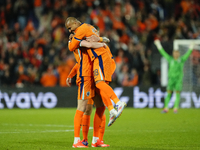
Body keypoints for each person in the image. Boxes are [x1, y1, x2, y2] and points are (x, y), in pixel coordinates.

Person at [65, 17, 126, 127]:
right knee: (100, 86)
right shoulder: (88, 27)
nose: (70, 31)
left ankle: (118, 103)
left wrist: (71, 39)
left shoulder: (81, 29)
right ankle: (112, 110)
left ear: (75, 23)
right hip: (100, 59)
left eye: (70, 28)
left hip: (100, 58)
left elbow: (72, 47)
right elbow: (97, 40)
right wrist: (102, 40)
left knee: (99, 84)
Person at [66, 33, 109, 148]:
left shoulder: (90, 47)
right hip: (86, 79)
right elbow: (79, 63)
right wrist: (102, 42)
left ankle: (97, 140)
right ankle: (82, 140)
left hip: (95, 78)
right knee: (87, 108)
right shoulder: (82, 44)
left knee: (101, 107)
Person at [154, 39, 194, 113]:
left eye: (177, 53)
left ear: (178, 54)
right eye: (174, 53)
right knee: (168, 93)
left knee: (177, 94)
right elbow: (163, 53)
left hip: (178, 80)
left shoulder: (181, 60)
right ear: (173, 54)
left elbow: (187, 54)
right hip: (171, 79)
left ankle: (175, 108)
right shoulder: (170, 59)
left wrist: (191, 48)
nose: (175, 54)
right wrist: (158, 45)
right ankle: (166, 108)